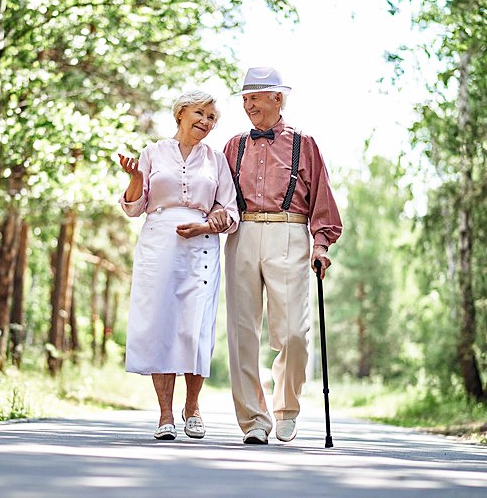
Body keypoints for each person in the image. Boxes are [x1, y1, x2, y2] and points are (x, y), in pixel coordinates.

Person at [222, 67, 342, 444]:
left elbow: (322, 198)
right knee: (242, 333)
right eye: (244, 98)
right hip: (241, 233)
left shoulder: (304, 144)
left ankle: (287, 407)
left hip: (290, 232)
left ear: (277, 98)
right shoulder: (233, 145)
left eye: (255, 97)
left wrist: (321, 245)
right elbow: (217, 195)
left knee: (292, 332)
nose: (248, 104)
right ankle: (253, 421)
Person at [119, 90, 238, 441]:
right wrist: (136, 180)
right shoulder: (153, 152)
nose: (205, 121)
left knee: (195, 324)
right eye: (200, 113)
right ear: (181, 113)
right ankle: (165, 414)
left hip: (201, 246)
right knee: (161, 322)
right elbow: (133, 207)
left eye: (212, 117)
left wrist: (209, 223)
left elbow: (230, 211)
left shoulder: (216, 160)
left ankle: (194, 407)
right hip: (158, 243)